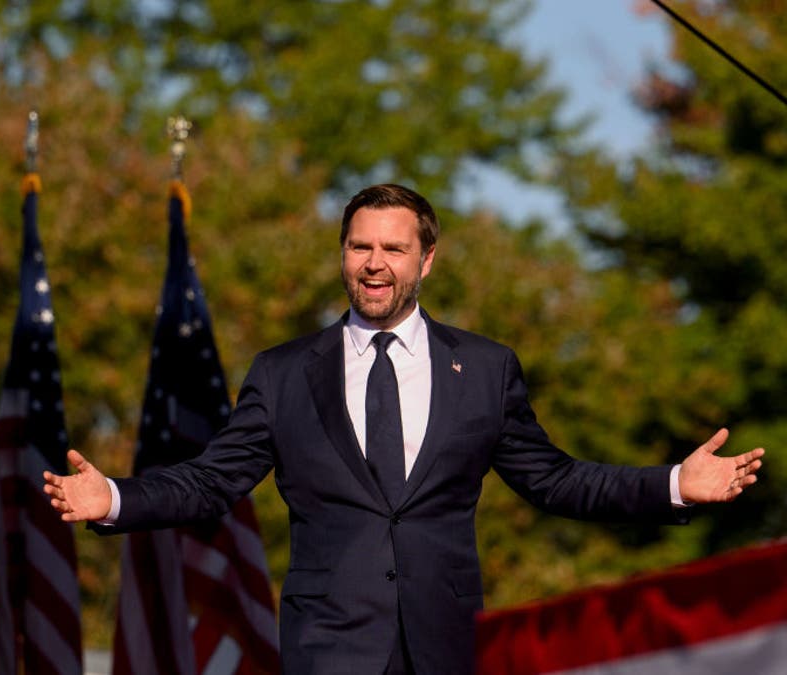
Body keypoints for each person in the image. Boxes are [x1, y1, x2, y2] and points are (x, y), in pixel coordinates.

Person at [42, 183, 765, 674]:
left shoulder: (484, 368)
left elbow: (556, 479)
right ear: (344, 256)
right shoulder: (285, 372)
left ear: (426, 258)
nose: (375, 264)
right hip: (329, 646)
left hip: (445, 644)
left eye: (392, 248)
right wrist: (114, 497)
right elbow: (212, 479)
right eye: (360, 247)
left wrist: (673, 483)